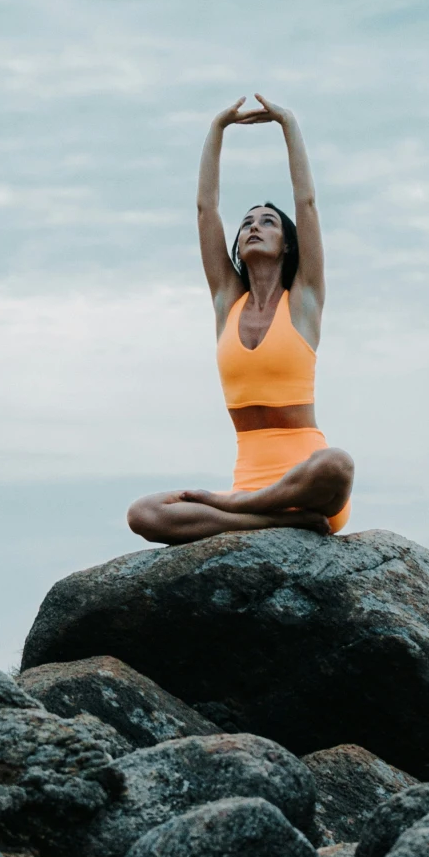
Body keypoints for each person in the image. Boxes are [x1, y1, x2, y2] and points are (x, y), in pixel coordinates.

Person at [127, 95, 354, 544]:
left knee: (338, 464)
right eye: (248, 222)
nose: (254, 226)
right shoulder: (226, 302)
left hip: (307, 484)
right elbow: (205, 210)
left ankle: (240, 509)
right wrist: (217, 129)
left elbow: (306, 203)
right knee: (143, 514)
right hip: (253, 487)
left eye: (268, 222)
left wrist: (287, 123)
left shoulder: (304, 300)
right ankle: (270, 519)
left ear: (286, 243)